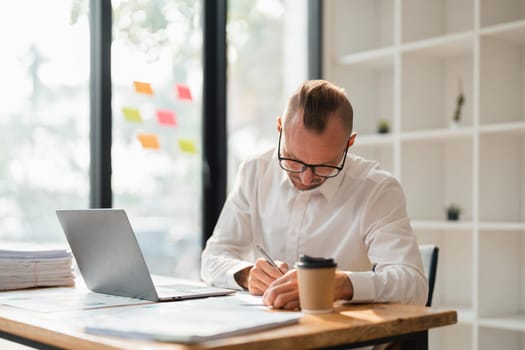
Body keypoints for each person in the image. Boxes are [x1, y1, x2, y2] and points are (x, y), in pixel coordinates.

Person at [201, 80, 427, 309]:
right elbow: (212, 259)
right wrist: (246, 274)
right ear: (280, 129)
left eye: (324, 166)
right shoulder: (255, 173)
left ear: (349, 144)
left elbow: (414, 286)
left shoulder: (377, 190)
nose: (306, 178)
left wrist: (340, 285)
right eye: (293, 159)